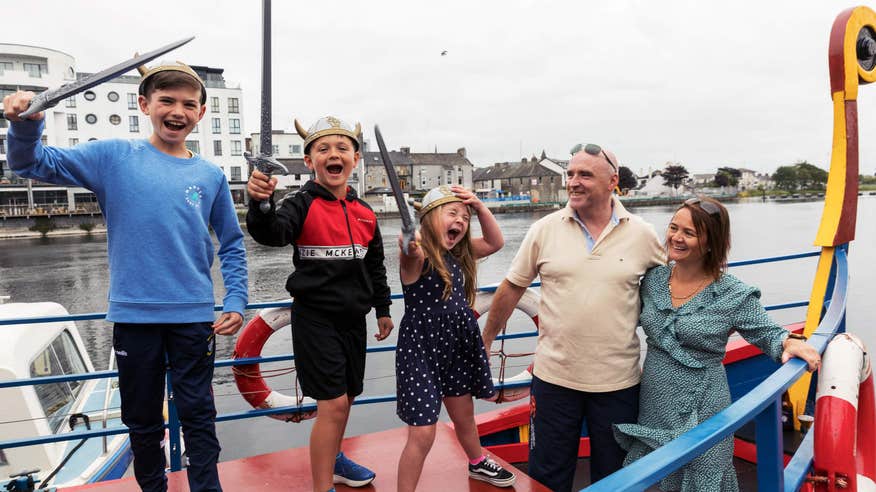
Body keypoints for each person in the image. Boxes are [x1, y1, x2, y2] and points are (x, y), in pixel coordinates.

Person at [3, 62, 248, 492]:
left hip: (194, 318)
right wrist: (28, 124)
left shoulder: (210, 175)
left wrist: (236, 301)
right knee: (142, 421)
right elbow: (30, 164)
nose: (178, 111)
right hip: (134, 319)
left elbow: (230, 243)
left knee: (199, 417)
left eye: (188, 104)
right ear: (144, 104)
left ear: (202, 113)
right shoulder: (112, 157)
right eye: (167, 101)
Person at [482, 144, 665, 491]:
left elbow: (673, 291)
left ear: (612, 181)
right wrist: (486, 341)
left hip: (618, 383)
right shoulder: (545, 229)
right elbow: (512, 287)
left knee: (616, 478)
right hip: (554, 381)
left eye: (584, 175)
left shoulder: (642, 234)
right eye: (570, 174)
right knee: (546, 476)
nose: (573, 182)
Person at [614, 196, 820, 491]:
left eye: (689, 233)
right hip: (655, 401)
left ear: (711, 243)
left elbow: (766, 332)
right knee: (657, 473)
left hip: (703, 403)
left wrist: (789, 342)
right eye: (674, 228)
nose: (676, 238)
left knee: (704, 475)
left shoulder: (732, 292)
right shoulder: (652, 280)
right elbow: (617, 315)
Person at [245, 116, 393, 492]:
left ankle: (336, 458)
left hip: (353, 321)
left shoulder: (365, 212)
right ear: (309, 161)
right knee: (333, 404)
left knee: (349, 398)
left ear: (355, 159)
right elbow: (271, 233)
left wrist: (384, 310)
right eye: (323, 148)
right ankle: (322, 486)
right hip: (315, 319)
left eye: (342, 148)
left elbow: (375, 265)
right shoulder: (300, 203)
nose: (333, 154)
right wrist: (260, 204)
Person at [395, 185, 513, 491]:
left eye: (465, 217)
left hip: (457, 346)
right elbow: (410, 253)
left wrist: (480, 206)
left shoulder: (460, 253)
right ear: (430, 219)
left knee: (464, 416)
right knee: (422, 433)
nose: (460, 220)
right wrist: (408, 244)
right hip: (421, 350)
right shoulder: (419, 256)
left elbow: (495, 242)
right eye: (452, 213)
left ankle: (476, 463)